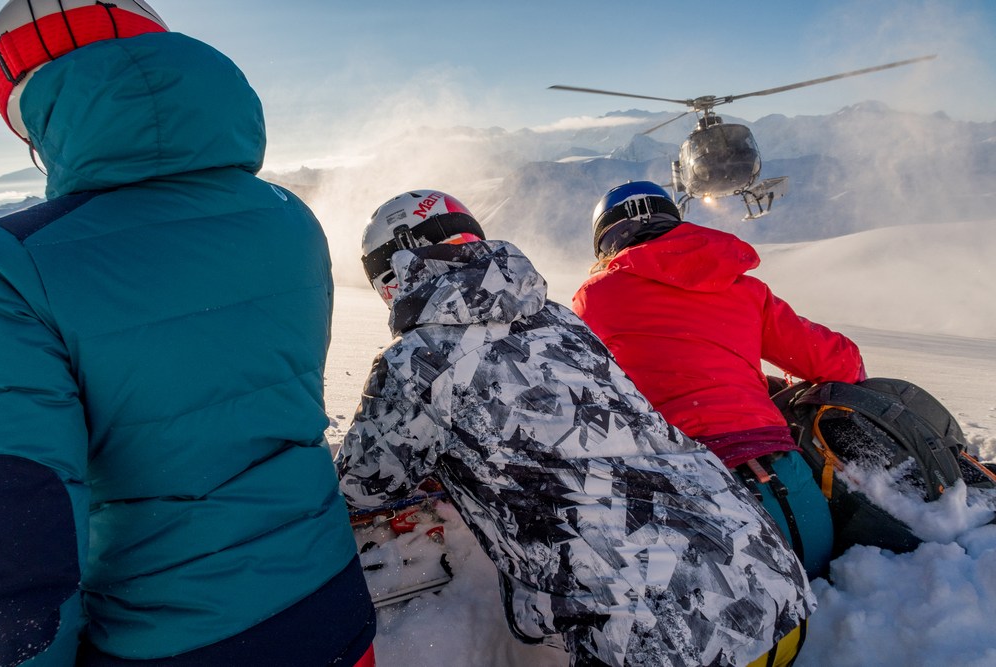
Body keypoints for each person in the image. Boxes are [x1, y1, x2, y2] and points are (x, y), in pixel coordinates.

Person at [0, 2, 374, 665]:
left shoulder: (17, 262)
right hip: (330, 600)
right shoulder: (290, 216)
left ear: (29, 111)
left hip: (170, 639)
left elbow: (22, 519)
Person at [336, 189, 815, 667]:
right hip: (773, 591)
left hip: (671, 643)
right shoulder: (562, 321)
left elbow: (364, 485)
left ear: (393, 270)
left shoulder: (413, 361)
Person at [572, 181, 866, 580]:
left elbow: (580, 393)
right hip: (800, 507)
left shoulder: (596, 298)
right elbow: (838, 362)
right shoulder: (745, 289)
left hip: (699, 500)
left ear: (606, 241)